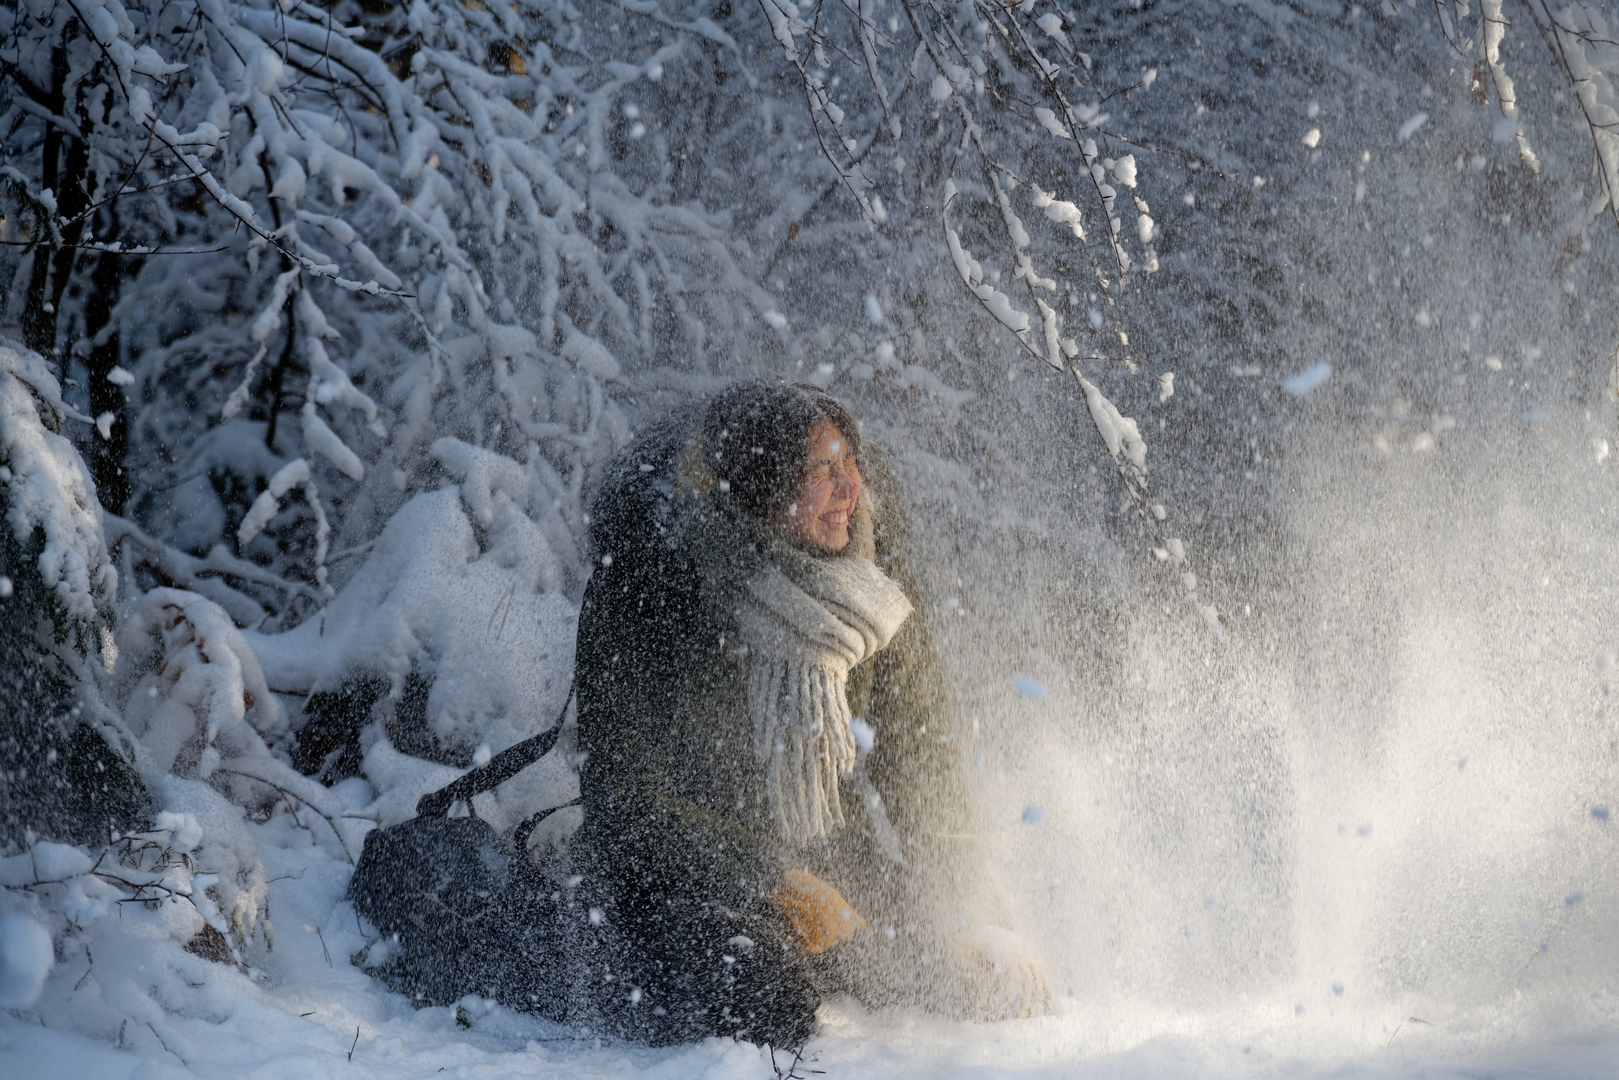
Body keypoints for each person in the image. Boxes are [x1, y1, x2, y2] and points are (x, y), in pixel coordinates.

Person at [566, 380, 1047, 1047]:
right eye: (821, 472)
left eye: (850, 463)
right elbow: (625, 804)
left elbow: (920, 762)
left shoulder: (869, 592)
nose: (849, 488)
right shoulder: (652, 586)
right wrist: (772, 878)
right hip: (681, 884)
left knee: (982, 980)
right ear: (762, 491)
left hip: (831, 872)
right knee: (763, 995)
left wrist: (973, 916)